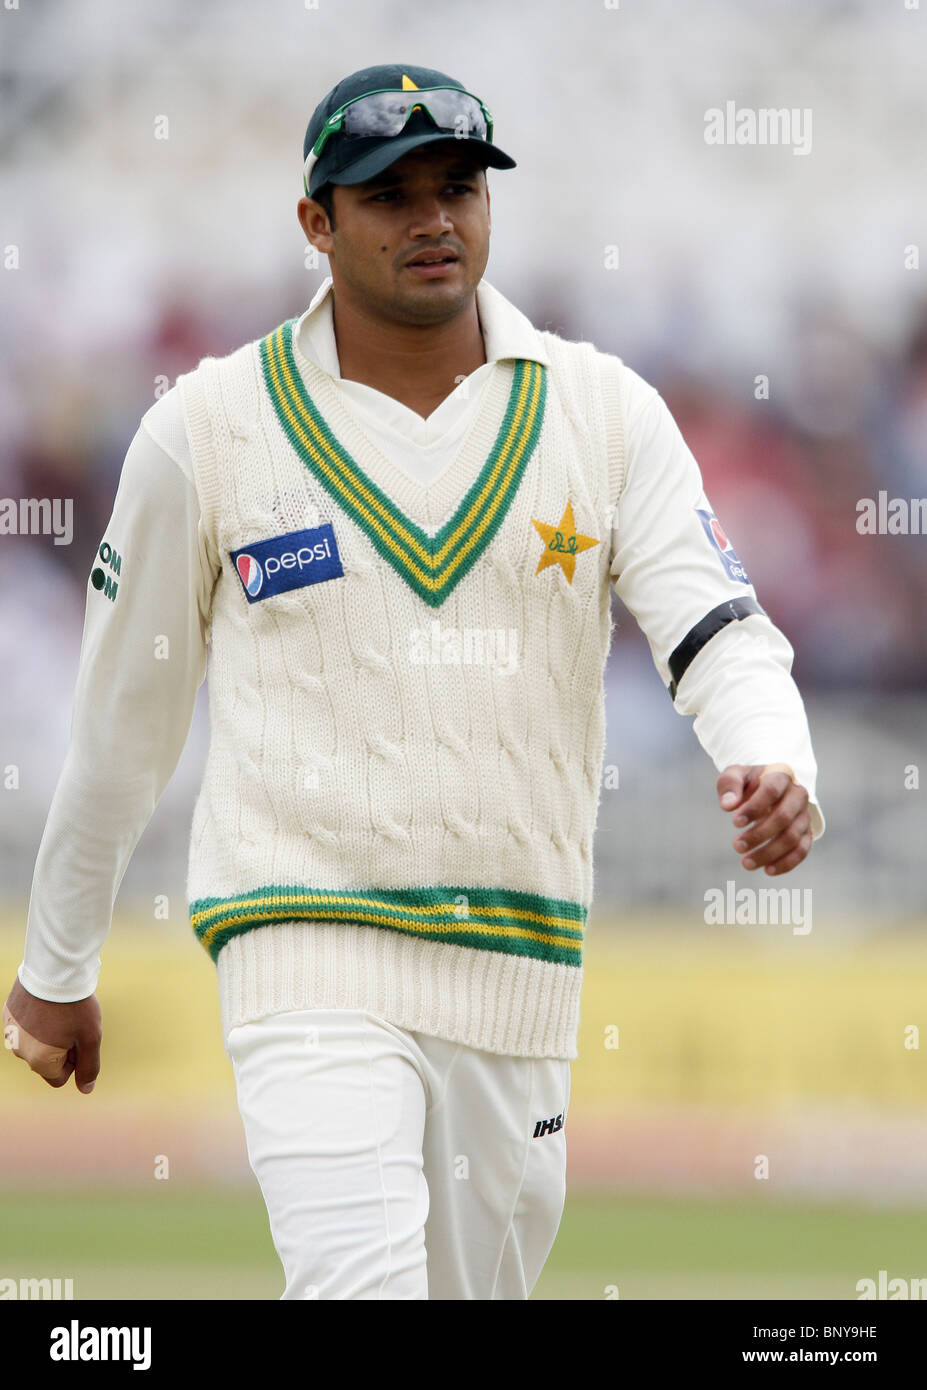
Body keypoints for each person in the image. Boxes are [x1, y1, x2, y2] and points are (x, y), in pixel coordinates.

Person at [4, 62, 825, 1300]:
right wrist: (57, 965)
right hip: (304, 947)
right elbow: (126, 720)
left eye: (458, 187)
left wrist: (774, 753)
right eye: (389, 194)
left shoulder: (602, 414)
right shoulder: (210, 429)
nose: (435, 218)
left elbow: (720, 629)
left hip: (523, 972)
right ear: (316, 225)